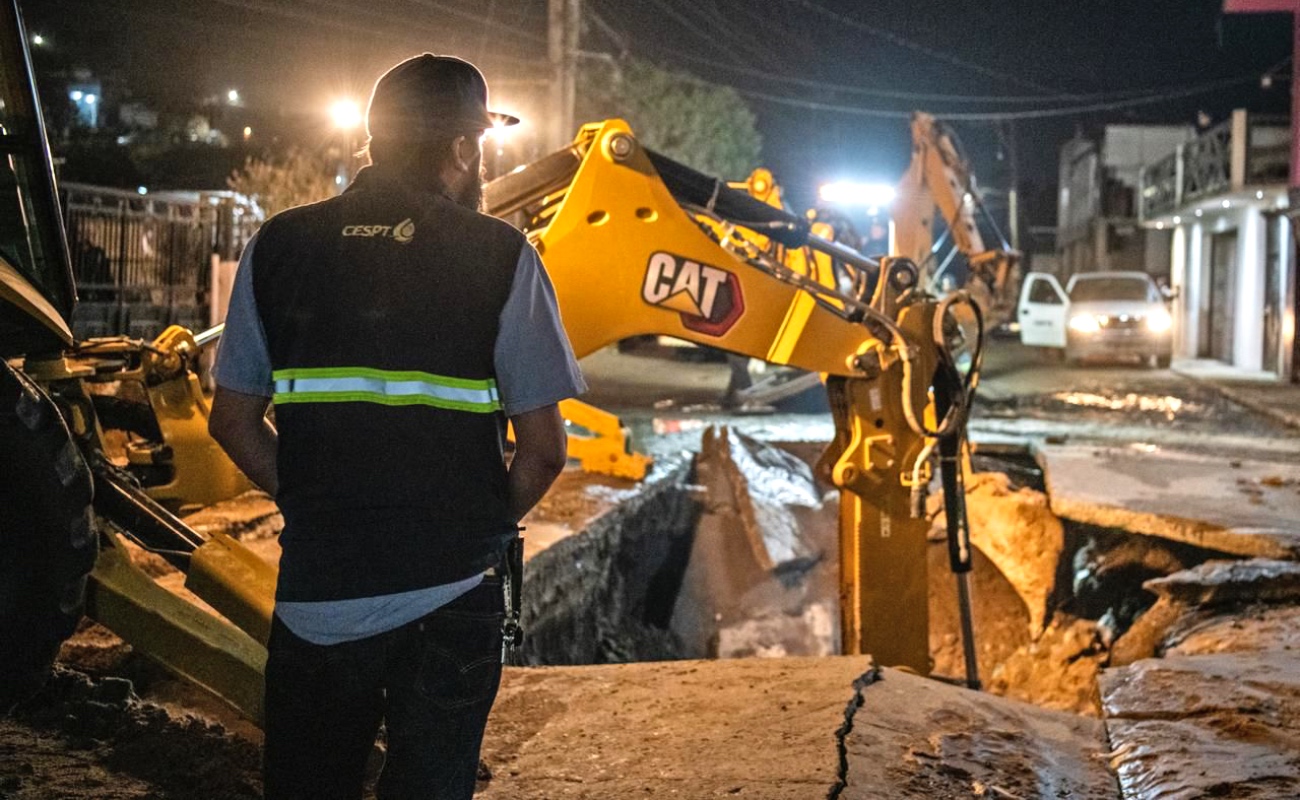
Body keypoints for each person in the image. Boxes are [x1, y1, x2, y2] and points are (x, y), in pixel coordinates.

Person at [208, 53, 585, 800]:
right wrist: (474, 526)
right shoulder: (502, 257)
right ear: (460, 149)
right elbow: (544, 451)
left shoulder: (278, 247)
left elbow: (231, 422)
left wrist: (314, 501)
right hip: (450, 596)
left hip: (318, 593)